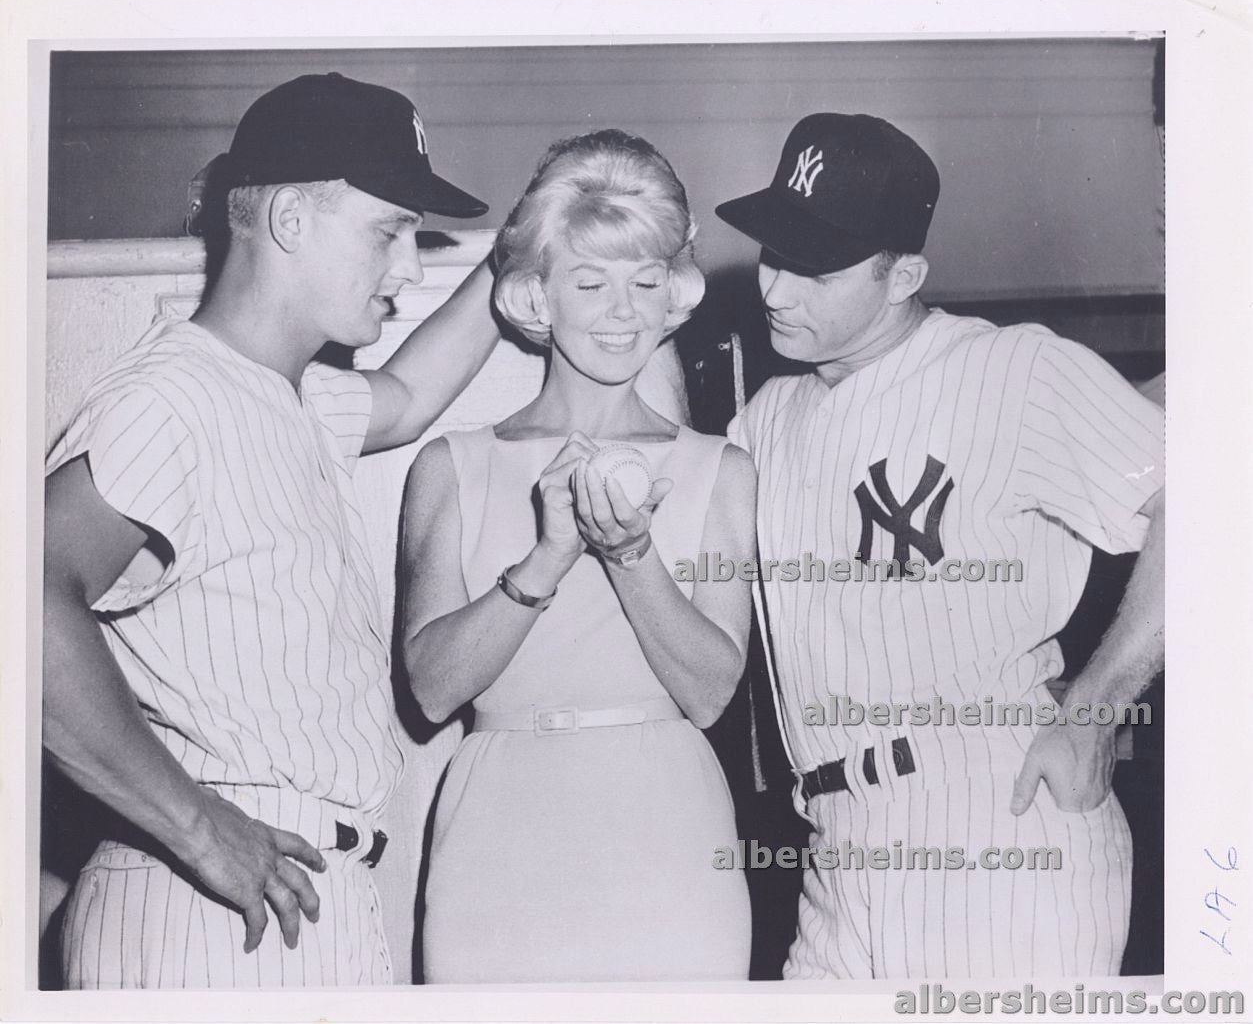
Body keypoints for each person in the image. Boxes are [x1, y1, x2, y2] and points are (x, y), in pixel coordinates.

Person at [43, 72, 500, 988]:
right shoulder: (174, 398)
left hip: (299, 901)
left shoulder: (293, 396)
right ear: (291, 218)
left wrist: (521, 248)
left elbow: (409, 396)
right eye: (389, 232)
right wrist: (198, 829)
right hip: (208, 915)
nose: (410, 269)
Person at [717, 113, 1164, 978]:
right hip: (832, 846)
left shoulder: (1009, 370)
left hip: (990, 817)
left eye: (816, 270)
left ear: (903, 276)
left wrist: (1096, 705)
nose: (776, 290)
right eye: (773, 254)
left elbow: (1210, 502)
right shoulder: (765, 418)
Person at [402, 129, 754, 982]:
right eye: (591, 283)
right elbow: (432, 688)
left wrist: (630, 553)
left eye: (646, 282)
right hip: (496, 835)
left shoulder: (720, 467)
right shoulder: (452, 464)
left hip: (668, 834)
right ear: (536, 295)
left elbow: (711, 692)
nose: (623, 312)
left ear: (673, 293)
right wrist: (546, 559)